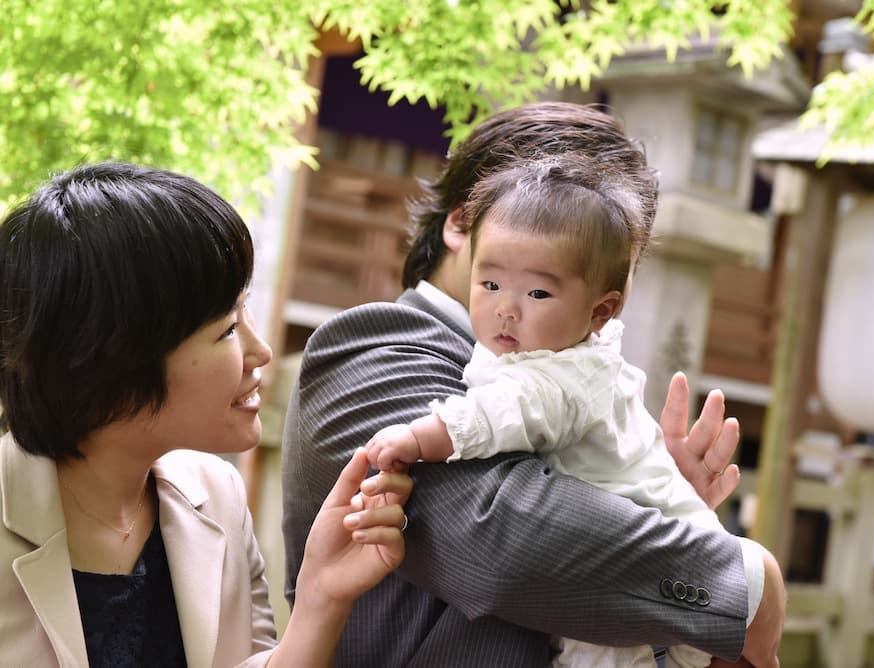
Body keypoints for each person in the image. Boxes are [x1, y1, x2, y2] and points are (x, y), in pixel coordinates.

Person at [281, 102, 785, 667]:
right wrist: (739, 578)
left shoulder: (568, 374)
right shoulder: (374, 345)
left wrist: (642, 495)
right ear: (459, 223)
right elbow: (502, 539)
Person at [0, 162, 411, 667]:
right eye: (227, 330)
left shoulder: (217, 494)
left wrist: (322, 597)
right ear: (114, 361)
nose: (261, 352)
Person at [365, 152, 731, 668]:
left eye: (537, 292)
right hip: (654, 570)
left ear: (601, 310)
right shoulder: (381, 340)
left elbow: (504, 411)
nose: (505, 307)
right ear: (460, 234)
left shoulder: (561, 372)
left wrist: (421, 437)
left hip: (665, 580)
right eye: (489, 284)